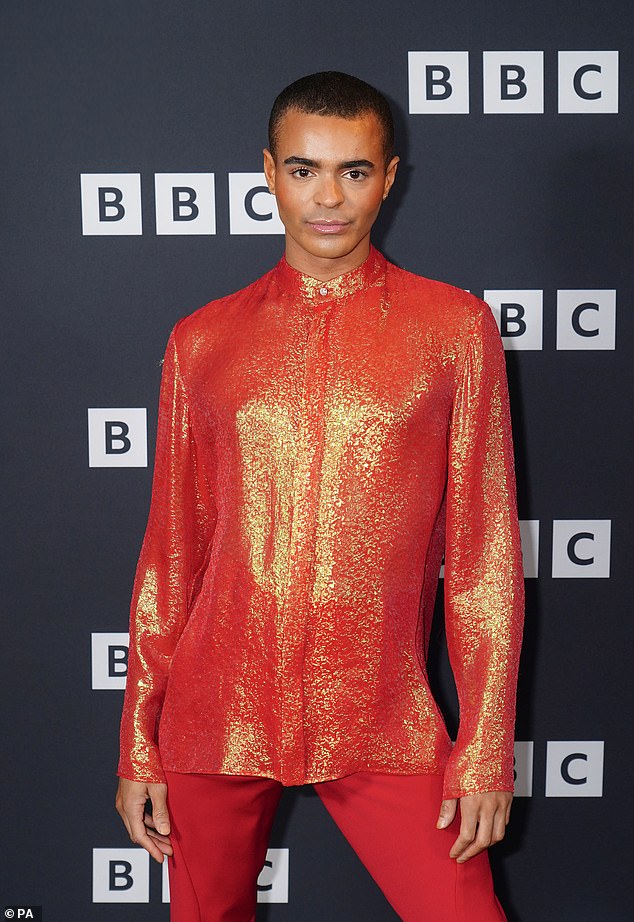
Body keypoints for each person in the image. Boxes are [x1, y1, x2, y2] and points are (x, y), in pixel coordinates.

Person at [115, 71, 525, 921]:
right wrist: (138, 743)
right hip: (212, 718)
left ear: (389, 176)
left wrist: (485, 743)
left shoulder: (455, 330)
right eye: (303, 170)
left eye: (354, 171)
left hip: (382, 712)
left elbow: (483, 556)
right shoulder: (202, 339)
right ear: (268, 173)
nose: (328, 198)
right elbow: (170, 554)